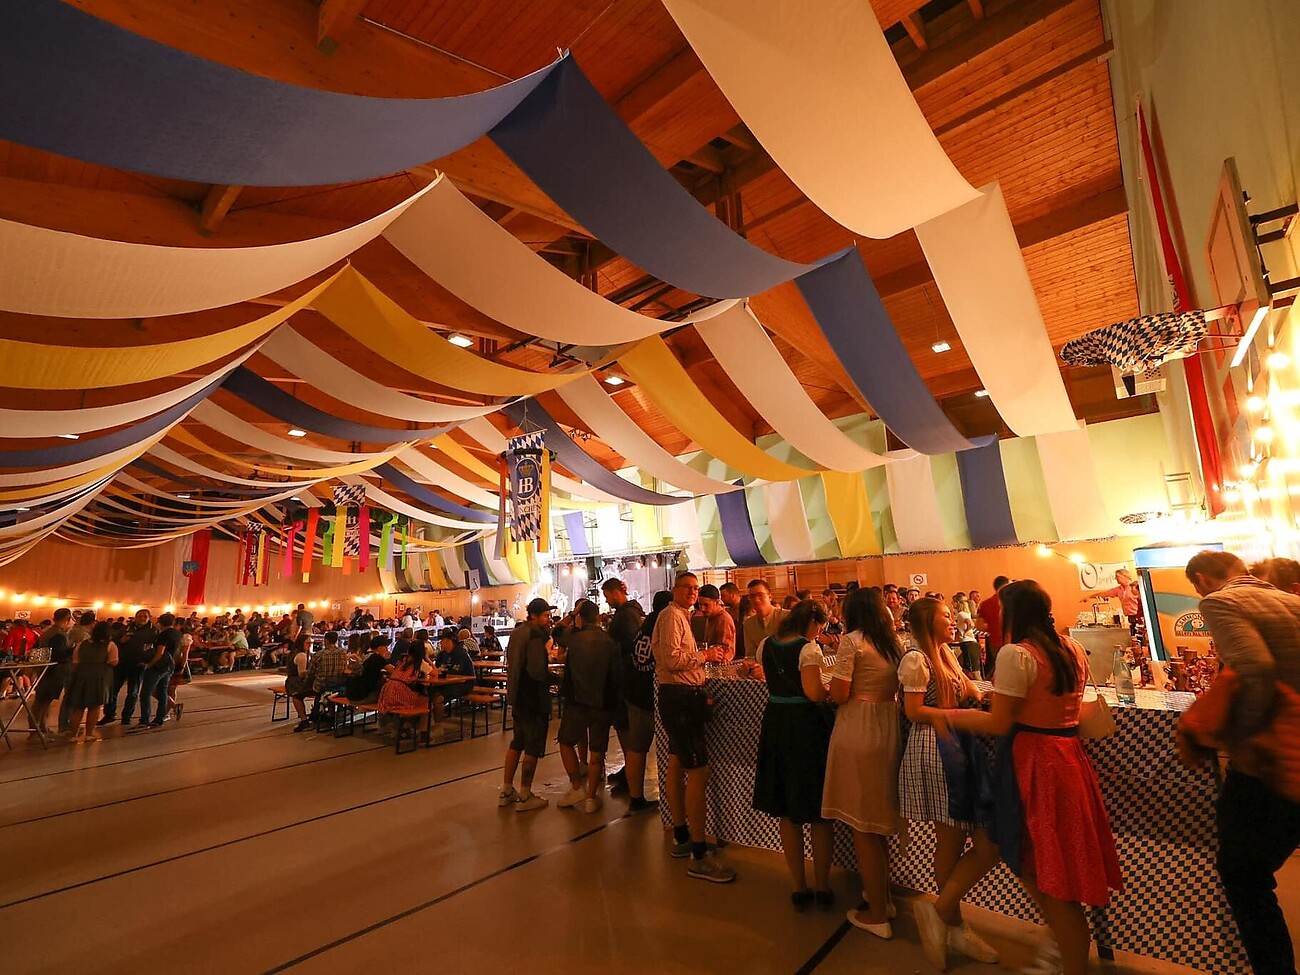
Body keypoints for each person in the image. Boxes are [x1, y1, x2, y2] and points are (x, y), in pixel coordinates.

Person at [940, 581, 1122, 975]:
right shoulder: (1070, 647)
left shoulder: (1016, 654)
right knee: (1050, 866)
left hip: (1034, 764)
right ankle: (1066, 957)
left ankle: (1070, 963)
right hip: (1067, 758)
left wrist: (946, 717)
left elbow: (999, 723)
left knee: (1046, 871)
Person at [1183, 550, 1300, 975]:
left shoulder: (1220, 601)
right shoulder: (1291, 601)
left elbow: (1254, 665)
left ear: (1201, 580)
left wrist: (1244, 732)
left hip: (1269, 762)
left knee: (1243, 876)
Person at [899, 597, 1000, 972]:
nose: (954, 621)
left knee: (986, 843)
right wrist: (956, 713)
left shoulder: (947, 655)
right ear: (929, 623)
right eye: (946, 616)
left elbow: (971, 691)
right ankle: (956, 926)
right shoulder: (917, 659)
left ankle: (941, 914)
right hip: (937, 749)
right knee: (952, 839)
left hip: (959, 744)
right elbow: (913, 711)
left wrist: (985, 696)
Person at [822, 588, 904, 938]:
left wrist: (830, 688)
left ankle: (876, 914)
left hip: (858, 726)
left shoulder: (852, 642)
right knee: (877, 821)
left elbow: (840, 694)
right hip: (887, 726)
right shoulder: (892, 643)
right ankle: (881, 897)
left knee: (863, 826)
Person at [752, 600, 834, 909]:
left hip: (776, 723)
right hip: (805, 727)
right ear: (813, 623)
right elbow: (814, 693)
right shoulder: (808, 649)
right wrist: (829, 690)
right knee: (817, 810)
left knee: (787, 809)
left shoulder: (766, 645)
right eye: (820, 628)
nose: (819, 633)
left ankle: (799, 886)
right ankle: (822, 885)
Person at [655, 572, 735, 883]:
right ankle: (699, 855)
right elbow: (671, 659)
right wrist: (705, 655)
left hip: (678, 696)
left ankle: (681, 835)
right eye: (686, 587)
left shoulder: (679, 616)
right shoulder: (673, 617)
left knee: (677, 762)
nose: (692, 592)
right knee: (698, 771)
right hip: (681, 698)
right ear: (675, 589)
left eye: (695, 588)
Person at [556, 602, 619, 813]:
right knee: (597, 751)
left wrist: (570, 615)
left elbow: (555, 631)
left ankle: (577, 786)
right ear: (598, 617)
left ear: (580, 618)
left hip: (577, 702)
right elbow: (616, 675)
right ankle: (591, 797)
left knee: (565, 741)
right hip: (602, 703)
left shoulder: (574, 637)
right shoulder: (609, 641)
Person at [499, 599, 556, 812]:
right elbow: (537, 670)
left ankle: (506, 790)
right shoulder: (535, 635)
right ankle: (525, 794)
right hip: (533, 697)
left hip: (517, 695)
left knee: (517, 742)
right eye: (546, 615)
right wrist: (556, 679)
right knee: (532, 745)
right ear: (534, 615)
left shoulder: (517, 632)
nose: (548, 619)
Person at [601, 577, 652, 808]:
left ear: (615, 593)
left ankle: (631, 780)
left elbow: (633, 646)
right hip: (624, 679)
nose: (606, 600)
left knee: (627, 731)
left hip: (625, 681)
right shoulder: (628, 614)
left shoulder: (626, 616)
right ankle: (628, 774)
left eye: (607, 596)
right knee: (624, 729)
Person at [65, 621, 118, 742]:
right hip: (99, 677)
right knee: (94, 706)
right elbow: (114, 661)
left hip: (81, 676)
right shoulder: (110, 645)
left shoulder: (82, 644)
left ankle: (73, 734)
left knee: (78, 707)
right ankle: (89, 733)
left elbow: (75, 662)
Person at [102, 608, 153, 726]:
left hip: (137, 666)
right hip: (121, 664)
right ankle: (109, 714)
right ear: (135, 617)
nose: (142, 619)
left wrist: (147, 662)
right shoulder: (126, 628)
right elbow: (114, 641)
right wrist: (121, 640)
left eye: (145, 616)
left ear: (149, 618)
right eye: (139, 616)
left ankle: (127, 716)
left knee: (133, 693)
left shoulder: (152, 631)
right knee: (113, 690)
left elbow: (156, 648)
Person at [377, 636, 432, 738]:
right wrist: (427, 658)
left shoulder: (402, 659)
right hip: (400, 691)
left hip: (387, 690)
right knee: (426, 703)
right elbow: (435, 673)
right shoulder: (420, 662)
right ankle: (423, 733)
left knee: (412, 701)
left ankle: (401, 727)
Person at [31, 608, 73, 735]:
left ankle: (41, 728)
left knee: (43, 701)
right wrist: (73, 649)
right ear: (67, 620)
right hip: (53, 672)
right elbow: (58, 654)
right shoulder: (58, 635)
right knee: (43, 702)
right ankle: (37, 730)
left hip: (46, 670)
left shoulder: (48, 632)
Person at [139, 613, 180, 728]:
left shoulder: (163, 634)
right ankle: (159, 718)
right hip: (170, 664)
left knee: (146, 693)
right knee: (163, 692)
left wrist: (150, 664)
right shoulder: (177, 633)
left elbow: (160, 652)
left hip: (159, 666)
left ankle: (144, 719)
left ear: (160, 623)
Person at [743, 580, 787, 660]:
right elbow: (750, 654)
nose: (756, 600)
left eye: (760, 595)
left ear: (770, 596)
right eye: (752, 596)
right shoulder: (748, 624)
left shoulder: (786, 617)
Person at [976, 577, 1009, 675]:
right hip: (1012, 640)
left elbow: (979, 626)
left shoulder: (986, 604)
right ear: (1006, 585)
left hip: (994, 642)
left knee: (999, 668)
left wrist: (992, 626)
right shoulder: (1011, 602)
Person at [697, 584, 736, 662]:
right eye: (700, 605)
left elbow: (725, 651)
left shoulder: (724, 619)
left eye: (706, 605)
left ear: (717, 602)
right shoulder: (711, 616)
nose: (702, 609)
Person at [346, 635, 391, 703]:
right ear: (379, 648)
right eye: (386, 647)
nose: (387, 649)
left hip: (353, 695)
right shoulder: (377, 658)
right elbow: (393, 671)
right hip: (364, 697)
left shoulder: (366, 655)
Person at [285, 634, 314, 728]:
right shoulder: (301, 655)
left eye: (311, 643)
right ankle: (304, 719)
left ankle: (312, 714)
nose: (310, 645)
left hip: (291, 681)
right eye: (308, 643)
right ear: (301, 643)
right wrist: (312, 671)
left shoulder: (295, 652)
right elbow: (301, 674)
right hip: (296, 682)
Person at [952, 594, 981, 680]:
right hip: (969, 643)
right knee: (965, 670)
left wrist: (964, 633)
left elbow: (971, 624)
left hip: (968, 643)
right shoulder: (966, 613)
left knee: (974, 673)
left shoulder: (961, 614)